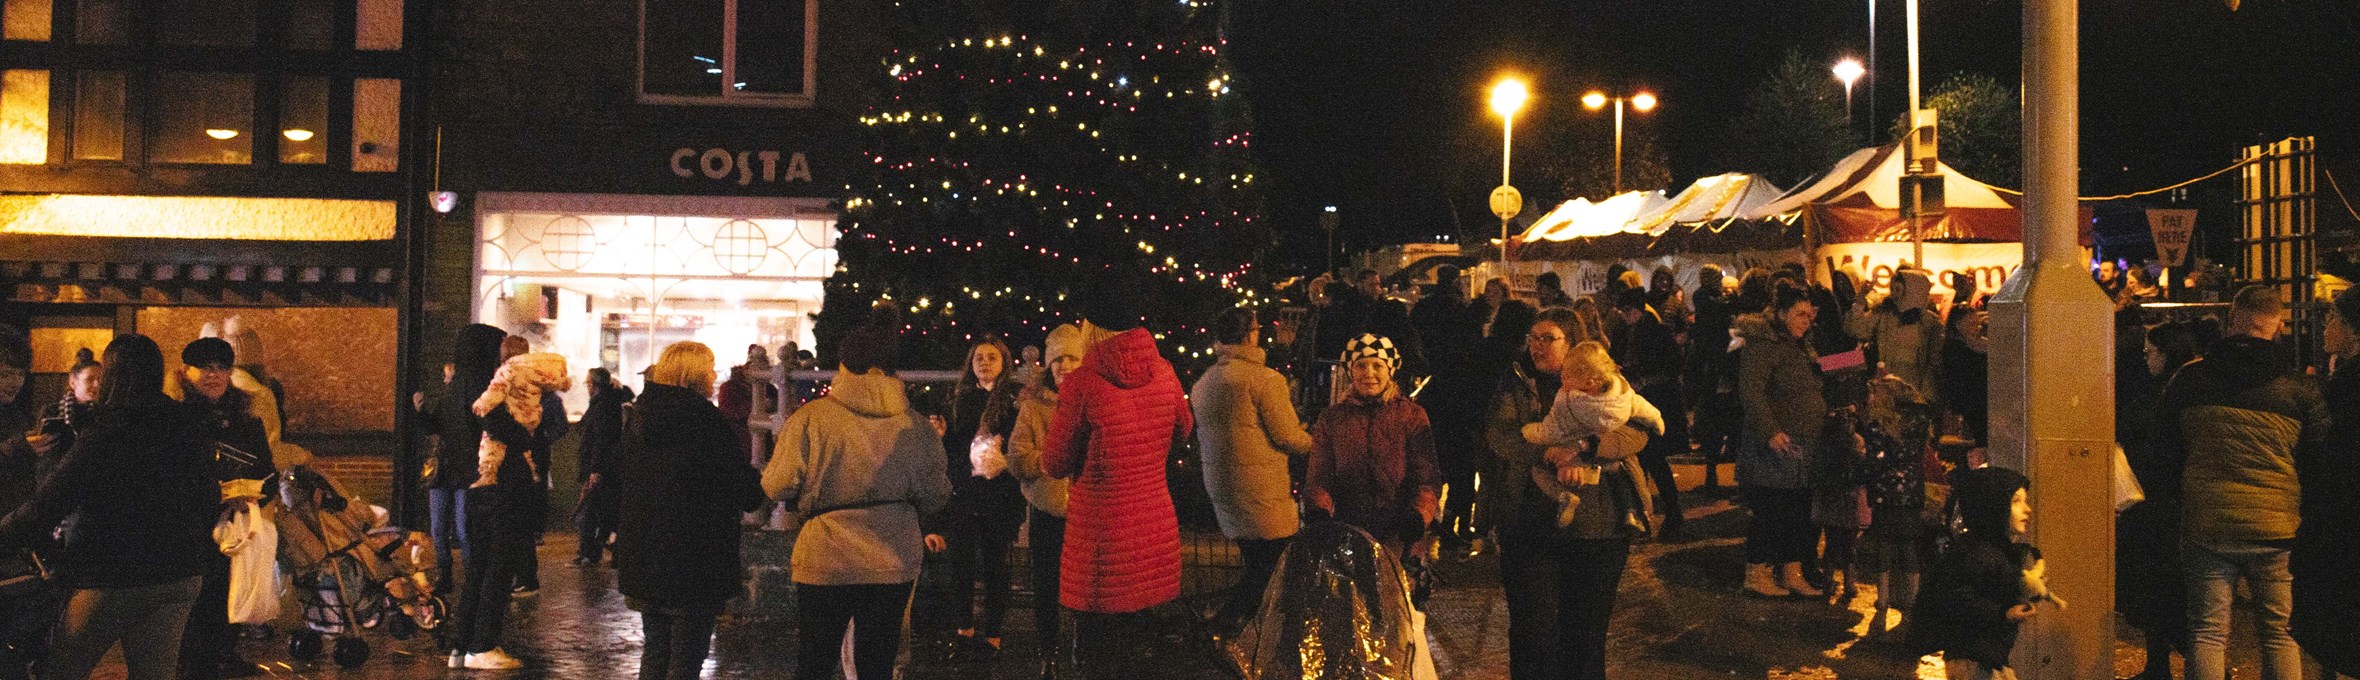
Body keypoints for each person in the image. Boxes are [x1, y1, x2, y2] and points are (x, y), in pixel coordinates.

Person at [0, 335, 218, 680]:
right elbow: (208, 497)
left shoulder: (107, 432)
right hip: (179, 574)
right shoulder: (187, 425)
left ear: (113, 375)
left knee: (62, 670)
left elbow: (48, 504)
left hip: (110, 577)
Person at [766, 321, 953, 680]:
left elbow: (777, 485)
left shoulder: (811, 418)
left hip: (826, 553)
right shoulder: (915, 426)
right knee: (877, 663)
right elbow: (936, 495)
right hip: (892, 555)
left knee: (814, 660)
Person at [2161, 285, 2322, 680]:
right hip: (2277, 529)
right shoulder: (2298, 389)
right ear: (2277, 326)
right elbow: (2317, 462)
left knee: (2207, 632)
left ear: (2232, 320)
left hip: (2207, 524)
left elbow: (2164, 451)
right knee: (2280, 635)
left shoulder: (2191, 381)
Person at [1478, 308, 1650, 680]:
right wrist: (1546, 453)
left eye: (1548, 338)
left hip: (1597, 525)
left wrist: (1587, 448)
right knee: (1533, 632)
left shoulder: (1605, 378)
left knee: (1586, 635)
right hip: (1529, 522)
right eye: (1533, 338)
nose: (1537, 346)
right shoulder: (1515, 380)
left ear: (1572, 341)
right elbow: (1500, 434)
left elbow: (1637, 429)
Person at [1041, 283, 1193, 679]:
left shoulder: (1082, 383)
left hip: (1102, 535)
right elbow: (1184, 429)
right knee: (1142, 647)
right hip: (1154, 524)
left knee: (1098, 651)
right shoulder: (1165, 372)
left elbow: (1054, 463)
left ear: (1091, 327)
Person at [612, 342, 765, 680]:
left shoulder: (639, 418)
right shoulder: (706, 422)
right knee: (686, 658)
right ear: (693, 375)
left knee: (655, 651)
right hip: (694, 557)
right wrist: (755, 481)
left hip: (646, 554)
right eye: (709, 369)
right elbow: (740, 488)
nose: (714, 375)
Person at [1191, 309, 1316, 632]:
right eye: (1257, 328)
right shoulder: (1265, 380)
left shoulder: (1204, 382)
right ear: (1250, 335)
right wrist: (1315, 441)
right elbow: (1287, 436)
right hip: (1262, 491)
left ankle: (1246, 627)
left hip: (1224, 486)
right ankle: (1229, 624)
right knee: (1273, 567)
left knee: (1258, 563)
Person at [174, 338, 276, 680]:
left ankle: (225, 655)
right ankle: (191, 664)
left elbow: (268, 474)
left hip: (236, 526)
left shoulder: (247, 423)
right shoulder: (175, 420)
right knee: (194, 600)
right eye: (205, 367)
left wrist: (250, 494)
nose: (213, 375)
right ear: (186, 372)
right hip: (191, 527)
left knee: (232, 592)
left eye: (221, 368)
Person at [2117, 319, 2208, 679]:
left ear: (2166, 353)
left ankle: (2185, 663)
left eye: (2150, 352)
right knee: (2162, 588)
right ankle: (2164, 663)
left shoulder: (2165, 393)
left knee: (2160, 588)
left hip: (2159, 502)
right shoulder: (2186, 388)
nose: (2145, 359)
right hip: (2170, 502)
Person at [444, 326, 535, 670]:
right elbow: (500, 426)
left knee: (476, 569)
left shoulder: (453, 388)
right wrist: (525, 436)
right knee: (498, 568)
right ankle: (483, 645)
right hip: (501, 485)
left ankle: (460, 645)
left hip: (472, 488)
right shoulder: (486, 384)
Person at [929, 337, 1024, 659]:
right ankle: (964, 630)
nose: (984, 362)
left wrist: (1004, 455)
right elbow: (954, 450)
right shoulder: (958, 399)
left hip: (1000, 491)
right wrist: (943, 437)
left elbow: (1020, 442)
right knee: (962, 563)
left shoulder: (1013, 400)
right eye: (979, 357)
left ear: (1003, 362)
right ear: (971, 363)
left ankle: (994, 634)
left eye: (992, 357)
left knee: (996, 563)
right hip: (966, 492)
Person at [1306, 334, 1439, 557]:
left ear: (1390, 371)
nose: (1369, 373)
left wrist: (1419, 514)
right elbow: (1320, 475)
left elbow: (1426, 476)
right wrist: (1319, 510)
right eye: (1361, 366)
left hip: (1400, 534)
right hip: (1349, 531)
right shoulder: (1332, 419)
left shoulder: (1411, 416)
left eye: (1377, 365)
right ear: (1350, 372)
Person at [1736, 287, 1828, 598]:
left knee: (1797, 509)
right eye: (1800, 314)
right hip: (1778, 441)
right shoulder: (1764, 345)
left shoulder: (1797, 345)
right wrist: (1771, 431)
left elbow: (1816, 374)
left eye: (1810, 314)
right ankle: (1757, 572)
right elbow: (1752, 392)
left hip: (1803, 440)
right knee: (1772, 508)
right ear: (1781, 313)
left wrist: (1857, 359)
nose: (1807, 320)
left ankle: (1792, 571)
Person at [1911, 466, 2043, 680]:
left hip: (1988, 657)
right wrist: (2004, 614)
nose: (2027, 509)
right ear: (1992, 506)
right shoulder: (1975, 552)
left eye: (2025, 501)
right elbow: (1957, 599)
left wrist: (2028, 589)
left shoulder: (1995, 549)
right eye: (2016, 501)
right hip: (1973, 659)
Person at [1006, 325, 1081, 679]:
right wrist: (1047, 461)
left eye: (1072, 358)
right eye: (1058, 360)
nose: (1065, 366)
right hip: (1048, 507)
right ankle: (1048, 648)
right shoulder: (1035, 406)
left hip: (1086, 510)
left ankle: (1082, 646)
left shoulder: (1092, 402)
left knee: (1085, 585)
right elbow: (1018, 457)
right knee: (1046, 583)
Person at [413, 324, 505, 600]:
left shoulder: (457, 387)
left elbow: (440, 425)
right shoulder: (474, 385)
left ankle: (452, 578)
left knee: (448, 529)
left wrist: (423, 415)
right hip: (460, 469)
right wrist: (422, 413)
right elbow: (442, 425)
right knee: (457, 530)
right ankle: (466, 580)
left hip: (452, 469)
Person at [2298, 288, 2360, 678]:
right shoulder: (2342, 379)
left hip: (2342, 516)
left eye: (2333, 317)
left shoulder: (2346, 388)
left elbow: (2328, 452)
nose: (2325, 324)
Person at [1411, 266, 1488, 543]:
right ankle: (1458, 520)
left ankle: (1432, 516)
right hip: (1461, 394)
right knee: (1462, 464)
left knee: (1437, 459)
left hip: (1435, 391)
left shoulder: (1424, 309)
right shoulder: (1464, 312)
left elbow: (1417, 343)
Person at [1611, 287, 1686, 536]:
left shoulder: (1657, 331)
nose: (1625, 316)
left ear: (1637, 310)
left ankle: (1670, 513)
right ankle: (1643, 515)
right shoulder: (1626, 331)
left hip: (1655, 403)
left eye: (1627, 311)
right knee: (1640, 460)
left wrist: (1643, 380)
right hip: (1635, 403)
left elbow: (1672, 368)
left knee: (1653, 459)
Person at [573, 367, 634, 566]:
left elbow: (600, 440)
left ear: (593, 384)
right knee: (604, 512)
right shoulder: (610, 402)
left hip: (600, 467)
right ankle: (603, 551)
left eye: (588, 383)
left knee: (591, 512)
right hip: (607, 467)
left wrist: (594, 470)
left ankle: (593, 552)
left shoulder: (602, 406)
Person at [1850, 268, 1943, 398]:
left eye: (1899, 290)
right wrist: (1860, 299)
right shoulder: (1883, 313)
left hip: (1914, 391)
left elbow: (1935, 362)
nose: (1893, 294)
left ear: (1913, 290)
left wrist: (1927, 396)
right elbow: (1856, 329)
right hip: (1885, 386)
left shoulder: (1929, 322)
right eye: (1892, 289)